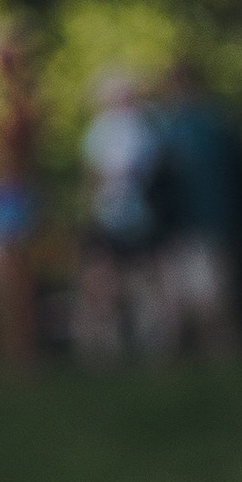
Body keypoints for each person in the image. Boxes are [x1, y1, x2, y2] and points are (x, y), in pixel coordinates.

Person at [148, 57, 242, 356]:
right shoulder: (175, 125)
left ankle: (223, 358)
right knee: (184, 300)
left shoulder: (203, 126)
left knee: (212, 299)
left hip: (206, 223)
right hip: (185, 225)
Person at [75, 69, 163, 356]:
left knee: (141, 283)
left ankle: (146, 346)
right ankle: (104, 349)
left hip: (139, 219)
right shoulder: (100, 131)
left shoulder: (146, 129)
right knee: (103, 285)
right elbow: (93, 177)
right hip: (109, 217)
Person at [0, 28, 43, 370]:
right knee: (2, 283)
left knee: (18, 282)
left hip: (14, 194)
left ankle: (22, 358)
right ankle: (9, 356)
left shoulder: (20, 104)